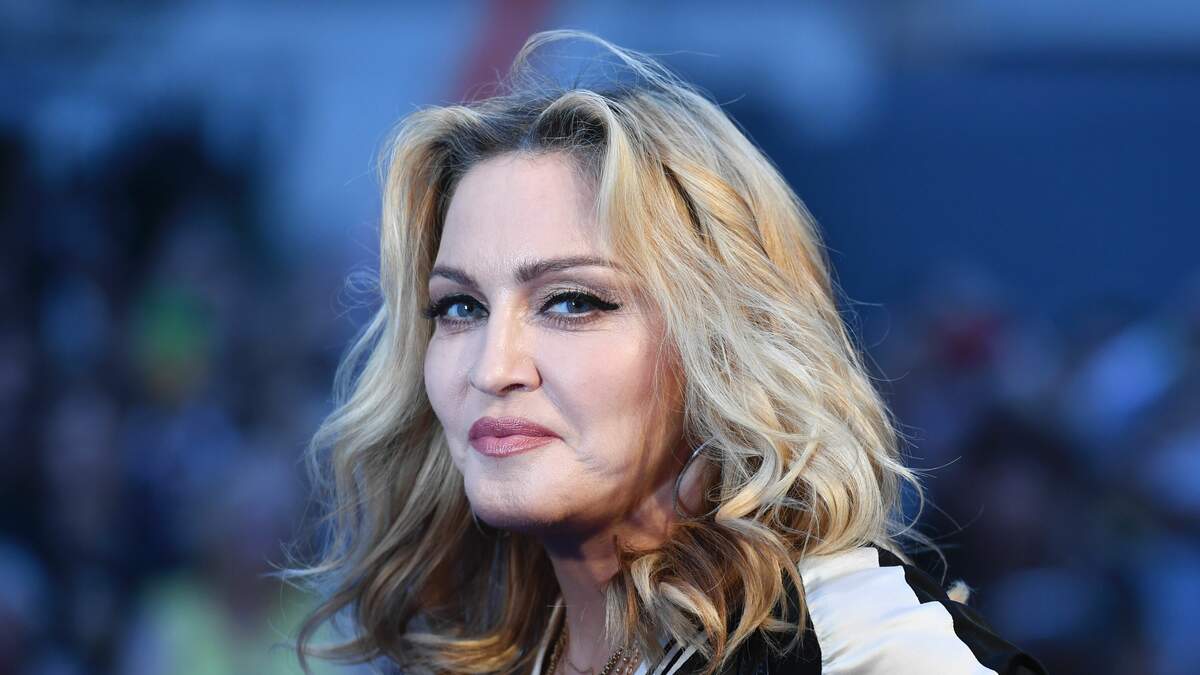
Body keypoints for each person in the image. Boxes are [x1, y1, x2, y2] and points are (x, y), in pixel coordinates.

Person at [278, 29, 1047, 675]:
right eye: (460, 307)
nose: (492, 366)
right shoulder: (470, 650)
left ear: (722, 342)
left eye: (572, 302)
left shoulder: (863, 646)